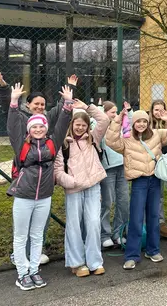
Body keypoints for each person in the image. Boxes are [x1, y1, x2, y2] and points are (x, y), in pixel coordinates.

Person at [0, 71, 78, 266]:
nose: (40, 107)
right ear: (28, 105)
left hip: (45, 176)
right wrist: (4, 89)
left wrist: (70, 90)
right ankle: (20, 254)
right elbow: (9, 111)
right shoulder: (21, 118)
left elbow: (62, 112)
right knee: (24, 219)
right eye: (36, 104)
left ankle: (35, 252)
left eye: (42, 104)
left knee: (41, 219)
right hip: (27, 174)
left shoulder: (47, 121)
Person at [7, 82, 72, 290]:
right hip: (24, 196)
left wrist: (68, 103)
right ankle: (22, 273)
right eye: (34, 127)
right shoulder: (21, 145)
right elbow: (13, 126)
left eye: (41, 126)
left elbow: (62, 124)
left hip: (44, 196)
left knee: (37, 236)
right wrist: (14, 102)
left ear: (46, 128)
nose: (38, 129)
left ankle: (34, 270)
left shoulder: (52, 143)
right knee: (20, 236)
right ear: (29, 129)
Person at [105, 103, 167, 270]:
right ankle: (132, 255)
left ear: (148, 122)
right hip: (139, 181)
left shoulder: (156, 134)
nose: (141, 124)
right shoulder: (126, 140)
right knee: (136, 218)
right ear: (133, 123)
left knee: (154, 216)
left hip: (155, 179)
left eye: (144, 121)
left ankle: (153, 250)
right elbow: (110, 140)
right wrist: (118, 119)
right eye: (138, 121)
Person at [54, 101, 110, 277]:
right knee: (74, 225)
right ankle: (77, 263)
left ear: (88, 126)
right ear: (71, 124)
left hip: (93, 187)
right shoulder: (63, 144)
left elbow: (104, 120)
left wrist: (87, 107)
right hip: (74, 189)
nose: (80, 128)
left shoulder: (93, 138)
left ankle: (95, 261)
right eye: (77, 124)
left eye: (83, 125)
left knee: (93, 223)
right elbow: (57, 170)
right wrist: (71, 181)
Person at [100, 101, 130, 249]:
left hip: (122, 167)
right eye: (112, 112)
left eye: (116, 111)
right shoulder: (100, 126)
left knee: (123, 201)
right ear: (104, 112)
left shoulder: (120, 125)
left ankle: (118, 232)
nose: (115, 114)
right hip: (108, 169)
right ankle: (104, 234)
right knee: (107, 201)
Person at [147, 99, 167, 239]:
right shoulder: (145, 123)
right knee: (144, 194)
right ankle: (146, 223)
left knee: (159, 194)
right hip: (146, 163)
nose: (159, 113)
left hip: (162, 163)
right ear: (151, 111)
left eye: (161, 109)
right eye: (156, 110)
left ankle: (160, 222)